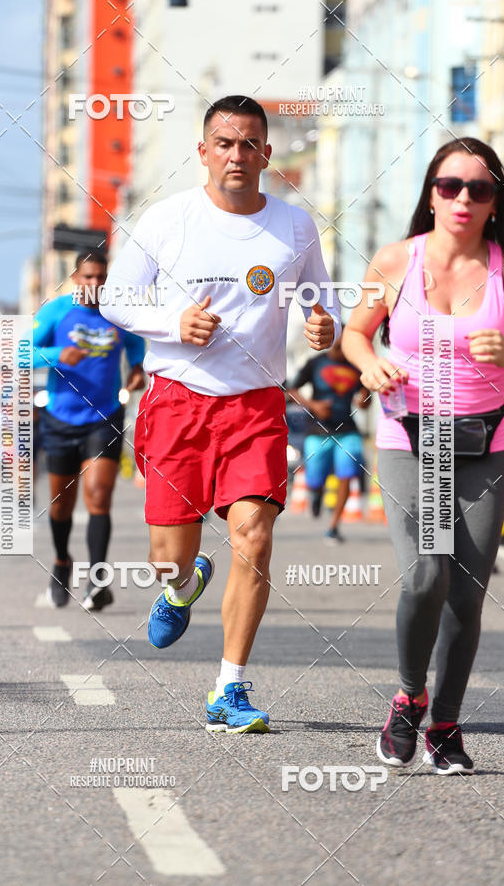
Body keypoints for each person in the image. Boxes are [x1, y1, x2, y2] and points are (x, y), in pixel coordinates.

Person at [100, 95, 341, 734]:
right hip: (178, 401)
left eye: (249, 144)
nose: (238, 155)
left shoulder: (294, 226)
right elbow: (116, 298)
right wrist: (172, 323)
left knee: (254, 538)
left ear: (266, 153)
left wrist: (327, 326)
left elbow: (323, 301)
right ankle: (182, 586)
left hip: (256, 405)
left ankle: (229, 687)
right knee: (168, 557)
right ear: (203, 151)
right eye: (225, 144)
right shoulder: (167, 219)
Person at [343, 137, 504, 774]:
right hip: (410, 438)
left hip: (485, 444)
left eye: (479, 188)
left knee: (467, 596)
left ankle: (445, 725)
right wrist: (370, 366)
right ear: (431, 194)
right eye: (450, 186)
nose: (463, 198)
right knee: (426, 574)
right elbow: (356, 334)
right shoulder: (397, 260)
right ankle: (408, 698)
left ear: (494, 201)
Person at [33, 250, 145, 610]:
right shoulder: (56, 311)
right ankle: (62, 561)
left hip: (105, 416)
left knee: (99, 495)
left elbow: (136, 344)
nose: (94, 284)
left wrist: (138, 368)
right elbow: (19, 352)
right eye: (88, 277)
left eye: (101, 278)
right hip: (60, 419)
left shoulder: (117, 312)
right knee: (61, 506)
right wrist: (56, 355)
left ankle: (97, 580)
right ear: (75, 279)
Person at [287, 331, 370, 541]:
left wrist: (365, 398)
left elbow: (365, 401)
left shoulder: (356, 366)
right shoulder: (316, 363)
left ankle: (333, 526)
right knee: (314, 479)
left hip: (348, 430)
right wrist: (313, 405)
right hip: (318, 431)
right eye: (339, 341)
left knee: (347, 474)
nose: (342, 346)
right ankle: (316, 494)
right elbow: (291, 390)